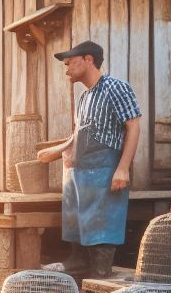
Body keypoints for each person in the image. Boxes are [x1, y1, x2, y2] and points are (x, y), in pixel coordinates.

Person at [37, 40, 141, 279]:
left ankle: (100, 268)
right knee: (75, 219)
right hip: (79, 172)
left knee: (102, 222)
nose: (66, 69)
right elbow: (77, 135)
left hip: (105, 169)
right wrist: (56, 150)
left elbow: (133, 126)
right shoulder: (84, 98)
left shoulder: (116, 87)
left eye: (70, 62)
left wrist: (123, 169)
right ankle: (77, 260)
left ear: (88, 60)